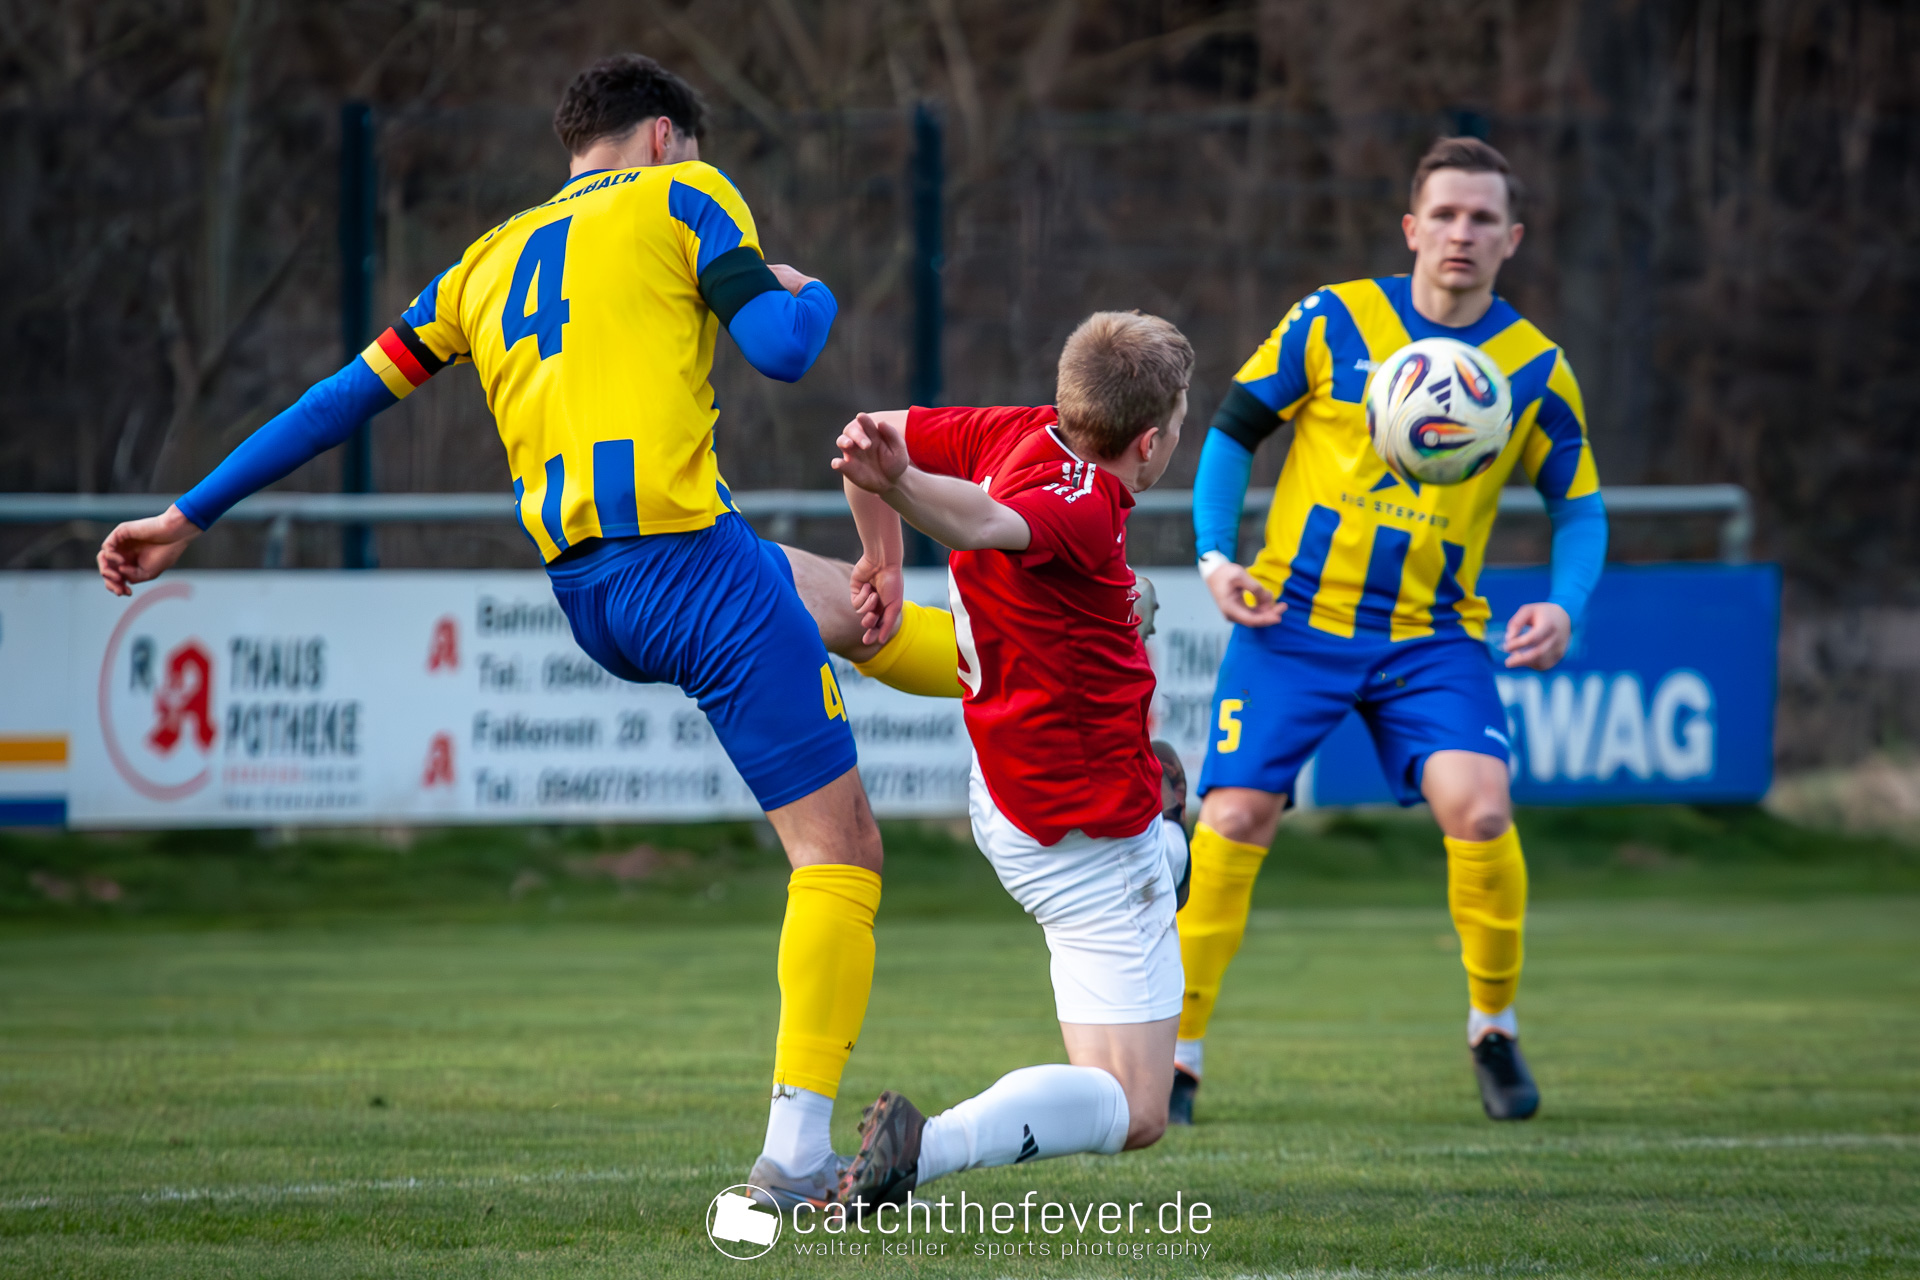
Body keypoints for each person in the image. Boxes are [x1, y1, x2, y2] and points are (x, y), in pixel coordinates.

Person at [90, 53, 946, 1208]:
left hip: (594, 594)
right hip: (687, 567)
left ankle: (1050, 668)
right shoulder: (689, 193)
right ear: (661, 136)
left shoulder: (485, 261)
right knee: (841, 854)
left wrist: (187, 513)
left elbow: (336, 401)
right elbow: (786, 349)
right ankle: (794, 1155)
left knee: (853, 605)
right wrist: (809, 288)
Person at [1172, 137, 1609, 1125]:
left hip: (1432, 638)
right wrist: (1215, 556)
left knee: (1482, 810)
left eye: (1483, 217)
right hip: (1293, 620)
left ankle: (1493, 1027)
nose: (1462, 232)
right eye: (1444, 214)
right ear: (1412, 227)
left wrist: (1566, 604)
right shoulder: (1331, 319)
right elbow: (1234, 429)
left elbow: (1578, 504)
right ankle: (1179, 1054)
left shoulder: (1535, 367)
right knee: (1233, 817)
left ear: (1513, 238)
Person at [828, 311, 1196, 1213]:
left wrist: (881, 555)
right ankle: (926, 1149)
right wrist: (901, 486)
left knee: (1129, 625)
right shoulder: (1084, 506)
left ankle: (1168, 840)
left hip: (1005, 799)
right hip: (1088, 838)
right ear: (1150, 442)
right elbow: (987, 520)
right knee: (1137, 1108)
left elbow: (864, 435)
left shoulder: (1015, 429)